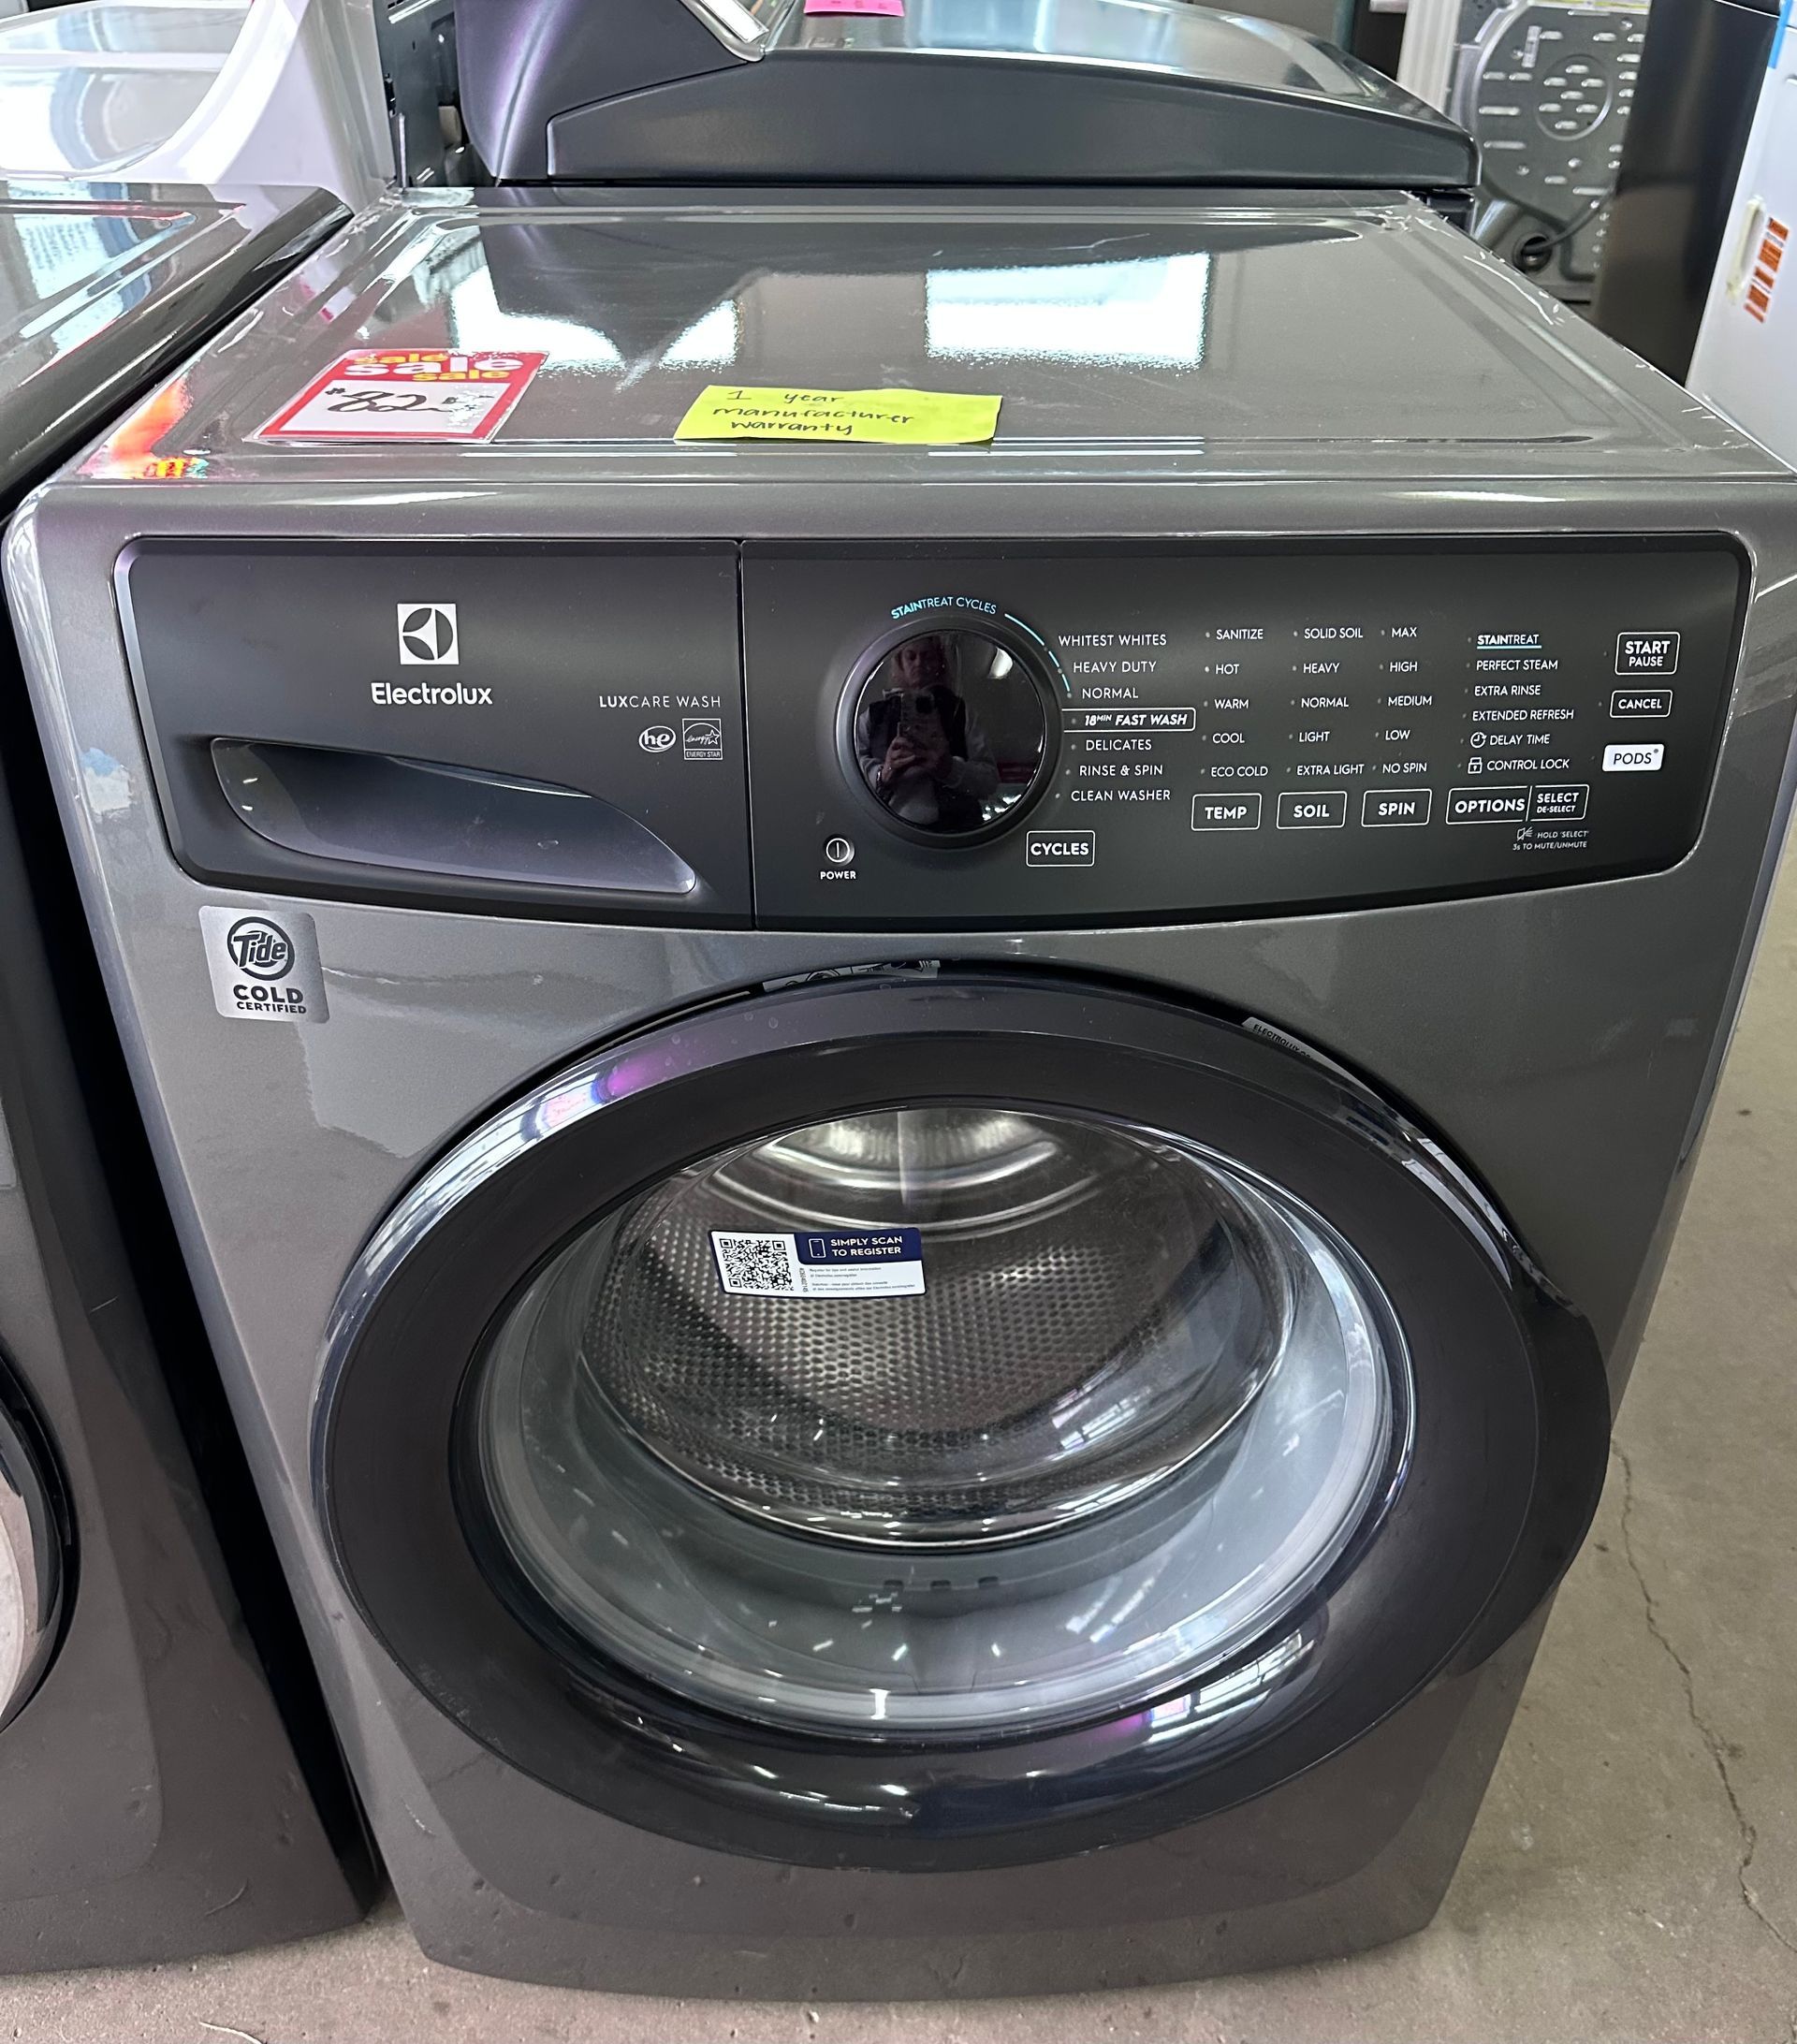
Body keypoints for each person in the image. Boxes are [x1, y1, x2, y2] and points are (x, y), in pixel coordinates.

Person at [855, 635, 1001, 831]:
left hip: (955, 832)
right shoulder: (874, 715)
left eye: (927, 656)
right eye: (911, 656)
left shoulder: (961, 712)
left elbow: (989, 781)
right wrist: (883, 773)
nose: (919, 663)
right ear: (900, 662)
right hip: (890, 829)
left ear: (939, 662)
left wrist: (949, 769)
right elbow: (850, 770)